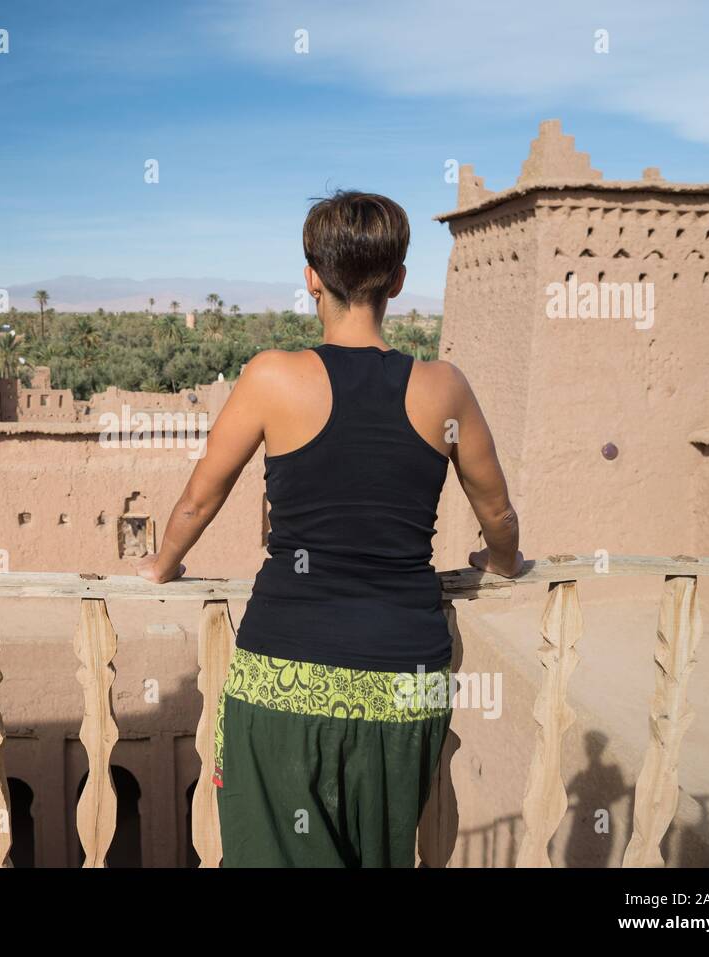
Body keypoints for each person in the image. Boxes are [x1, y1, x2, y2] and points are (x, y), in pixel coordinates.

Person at [134, 190, 524, 867]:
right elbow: (498, 513)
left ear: (311, 276)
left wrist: (162, 564)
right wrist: (501, 561)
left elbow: (201, 498)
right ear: (398, 281)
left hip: (284, 673)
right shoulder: (444, 388)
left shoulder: (271, 377)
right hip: (405, 680)